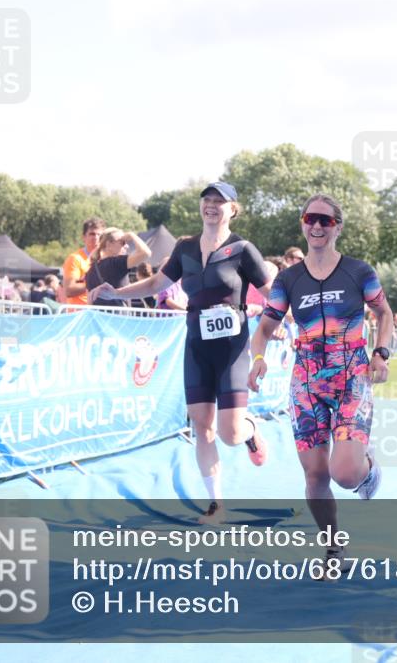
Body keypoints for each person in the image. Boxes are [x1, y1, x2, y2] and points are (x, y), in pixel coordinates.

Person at [90, 181, 275, 524]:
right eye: (207, 199)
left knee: (230, 433)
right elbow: (156, 284)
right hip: (196, 345)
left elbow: (272, 293)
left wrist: (294, 315)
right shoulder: (185, 247)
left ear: (233, 209)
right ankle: (217, 505)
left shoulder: (243, 249)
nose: (212, 205)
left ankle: (251, 430)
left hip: (232, 350)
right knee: (201, 426)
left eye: (220, 201)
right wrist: (115, 294)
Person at [249, 193, 394, 572]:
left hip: (351, 378)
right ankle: (333, 548)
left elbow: (384, 312)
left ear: (337, 228)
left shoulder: (359, 272)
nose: (316, 225)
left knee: (344, 473)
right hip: (307, 383)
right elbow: (265, 328)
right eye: (310, 218)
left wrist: (381, 353)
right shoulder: (287, 279)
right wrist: (258, 360)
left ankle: (368, 470)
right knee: (315, 474)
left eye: (325, 220)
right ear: (302, 222)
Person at [85, 228, 152, 307]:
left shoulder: (90, 271)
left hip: (98, 317)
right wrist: (132, 235)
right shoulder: (116, 263)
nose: (127, 246)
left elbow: (89, 302)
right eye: (122, 242)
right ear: (109, 244)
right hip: (118, 317)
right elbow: (146, 253)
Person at [63, 218, 106, 306]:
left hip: (101, 312)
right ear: (84, 237)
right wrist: (95, 283)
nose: (96, 237)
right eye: (92, 234)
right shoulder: (75, 258)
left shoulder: (107, 258)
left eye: (99, 234)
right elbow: (69, 290)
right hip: (80, 314)